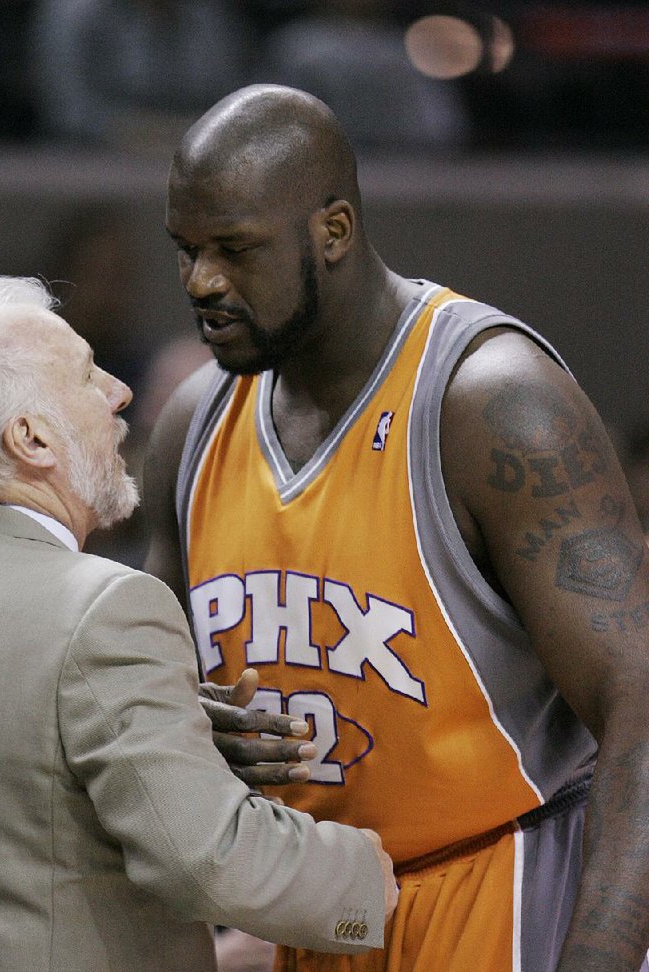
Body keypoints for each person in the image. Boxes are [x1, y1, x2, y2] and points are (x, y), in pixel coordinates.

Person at [143, 84, 649, 972]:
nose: (202, 282)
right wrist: (189, 730)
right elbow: (140, 705)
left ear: (333, 232)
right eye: (185, 251)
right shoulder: (192, 427)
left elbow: (640, 704)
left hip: (507, 893)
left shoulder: (490, 401)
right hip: (315, 912)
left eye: (234, 249)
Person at [0, 276, 399, 972]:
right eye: (85, 374)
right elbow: (210, 861)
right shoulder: (104, 608)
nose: (120, 393)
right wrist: (367, 872)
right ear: (31, 437)